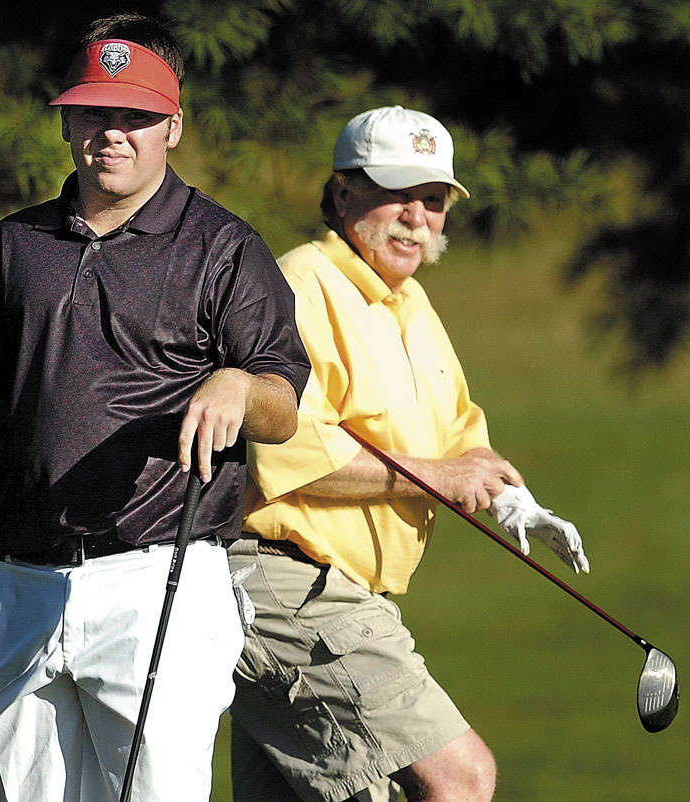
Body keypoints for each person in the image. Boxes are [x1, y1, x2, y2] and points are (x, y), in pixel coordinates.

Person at [0, 12, 310, 802]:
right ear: (68, 122)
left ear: (173, 126)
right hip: (15, 587)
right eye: (95, 112)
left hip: (157, 578)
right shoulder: (11, 247)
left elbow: (282, 403)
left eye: (134, 116)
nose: (112, 132)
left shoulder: (224, 247)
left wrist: (237, 385)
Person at [227, 105, 590, 802]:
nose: (416, 217)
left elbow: (458, 434)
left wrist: (510, 496)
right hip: (288, 583)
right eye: (396, 193)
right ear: (342, 195)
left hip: (334, 592)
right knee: (461, 777)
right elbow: (290, 452)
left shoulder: (410, 303)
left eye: (433, 200)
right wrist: (437, 479)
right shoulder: (299, 285)